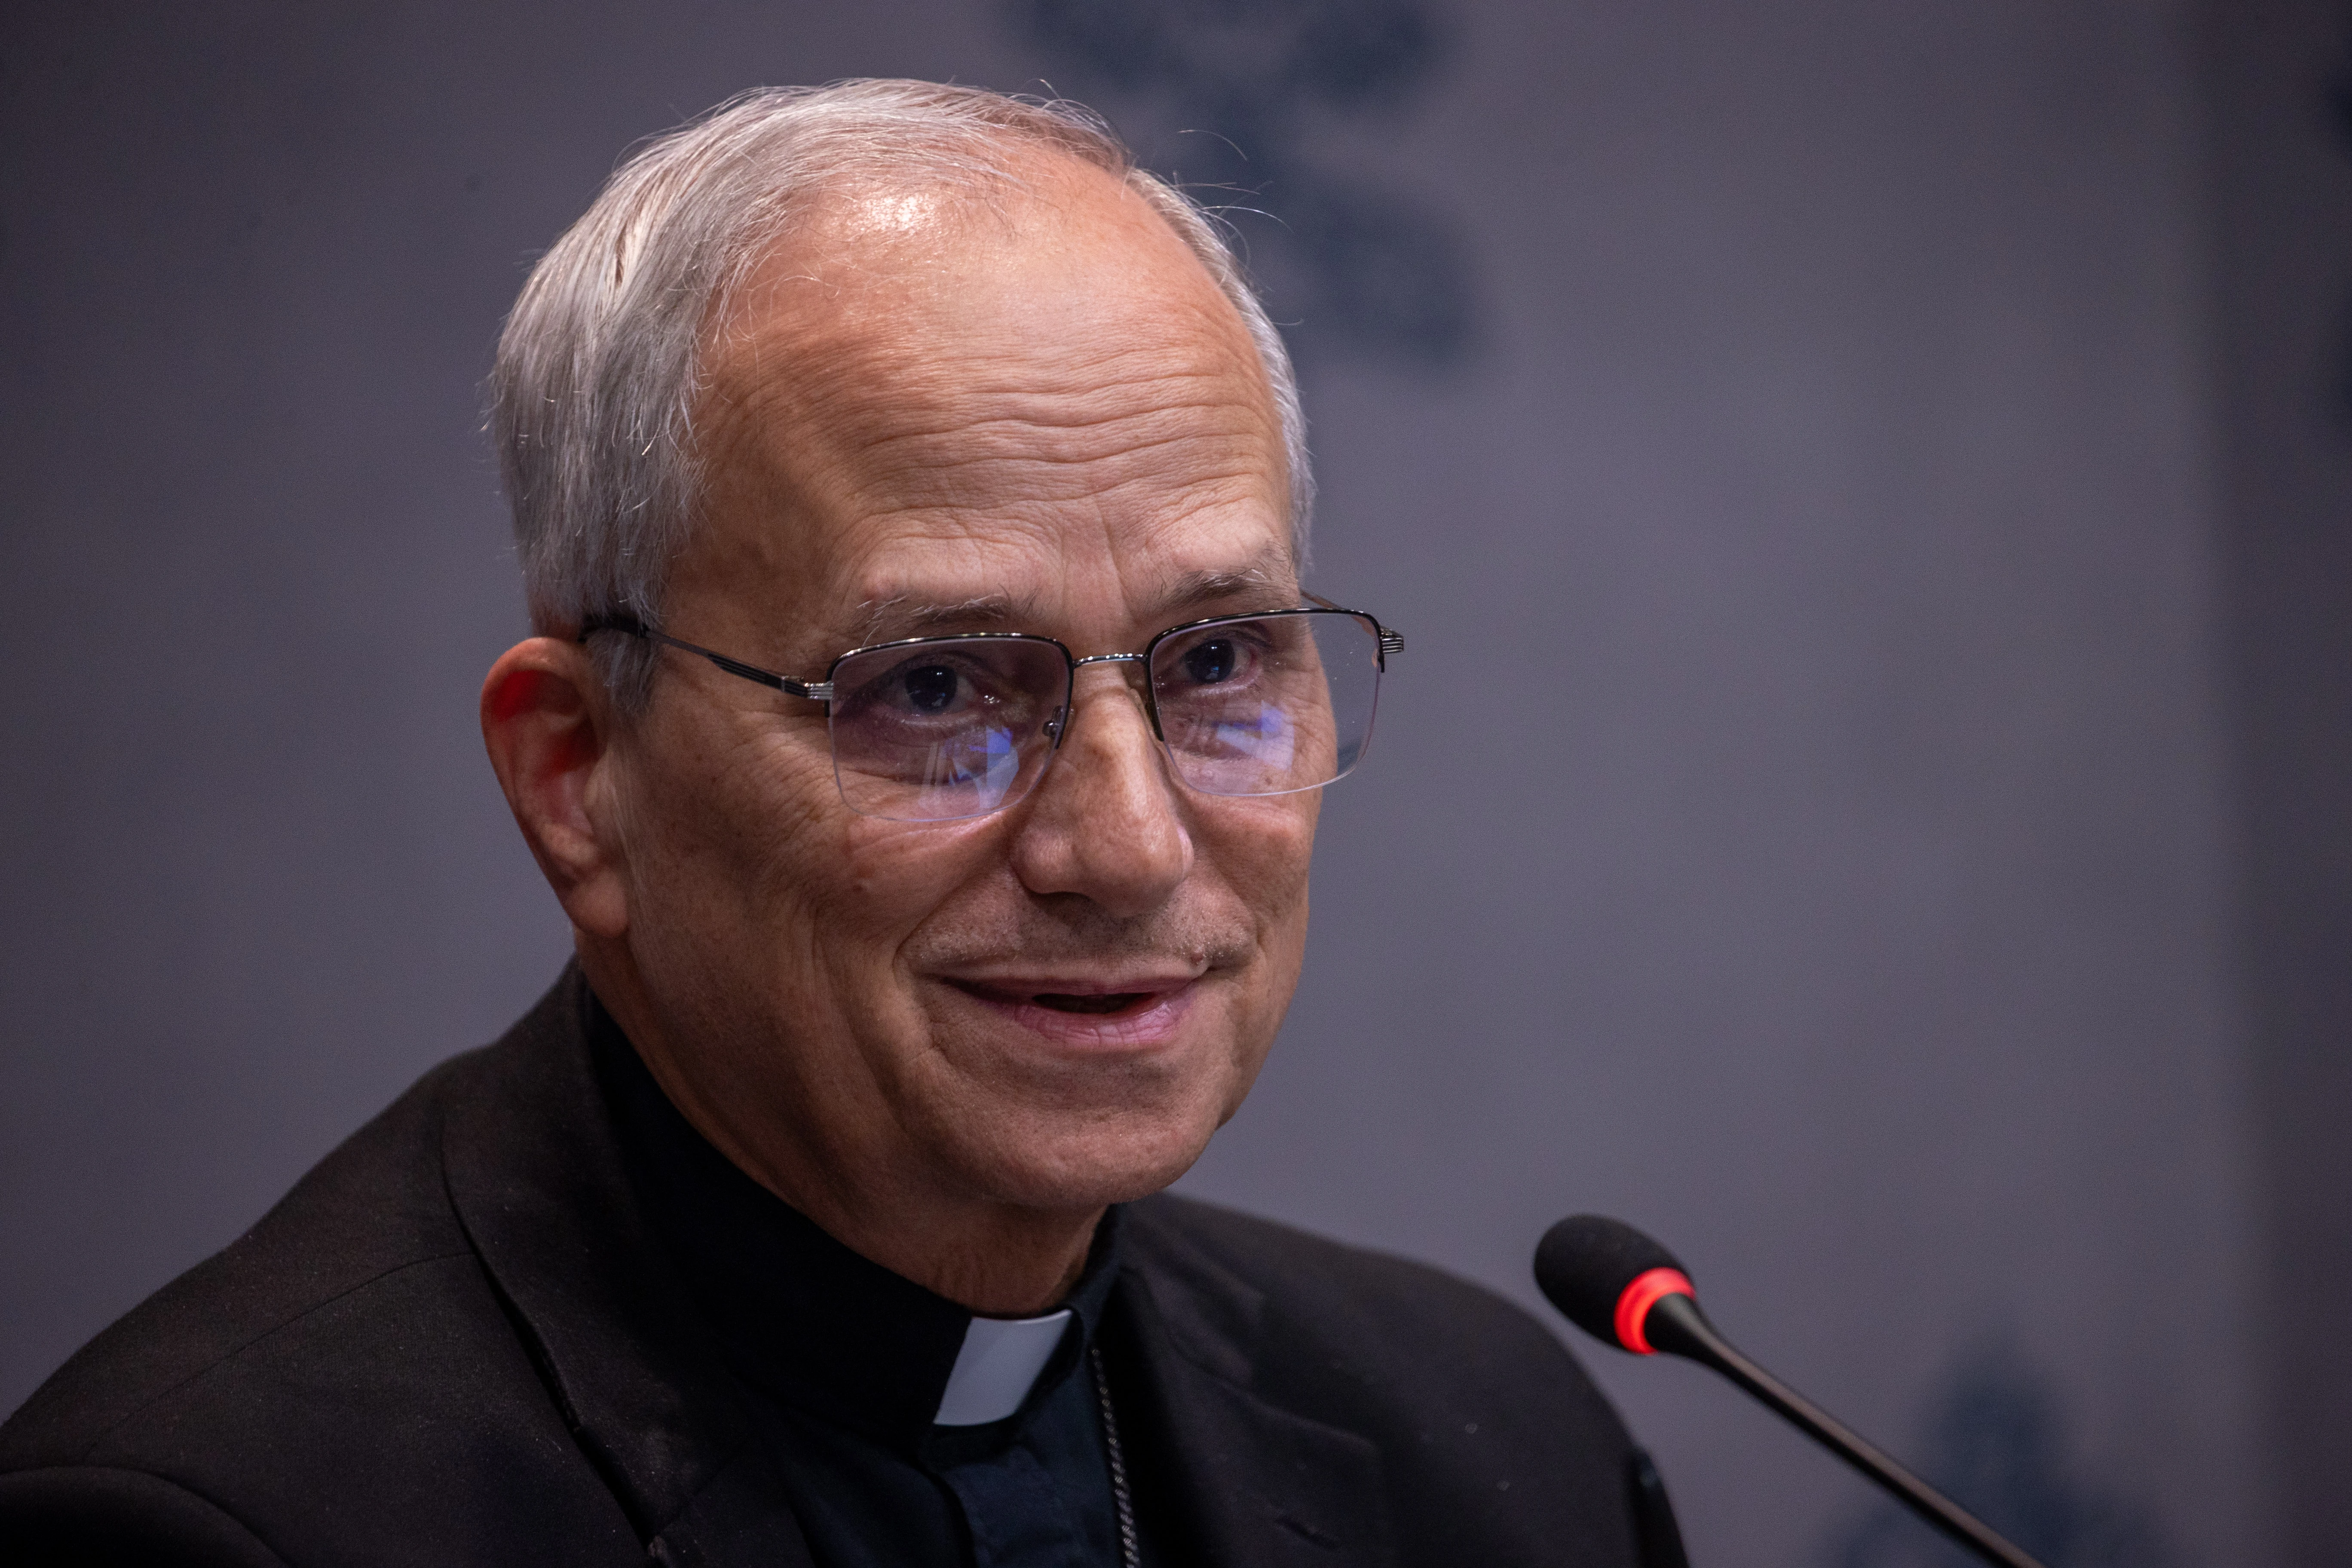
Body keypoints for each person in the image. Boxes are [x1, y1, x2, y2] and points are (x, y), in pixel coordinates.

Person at [0, 81, 1684, 1567]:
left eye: (1217, 661)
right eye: (942, 689)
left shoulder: (1495, 1457)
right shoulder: (212, 1522)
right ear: (579, 773)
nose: (1131, 845)